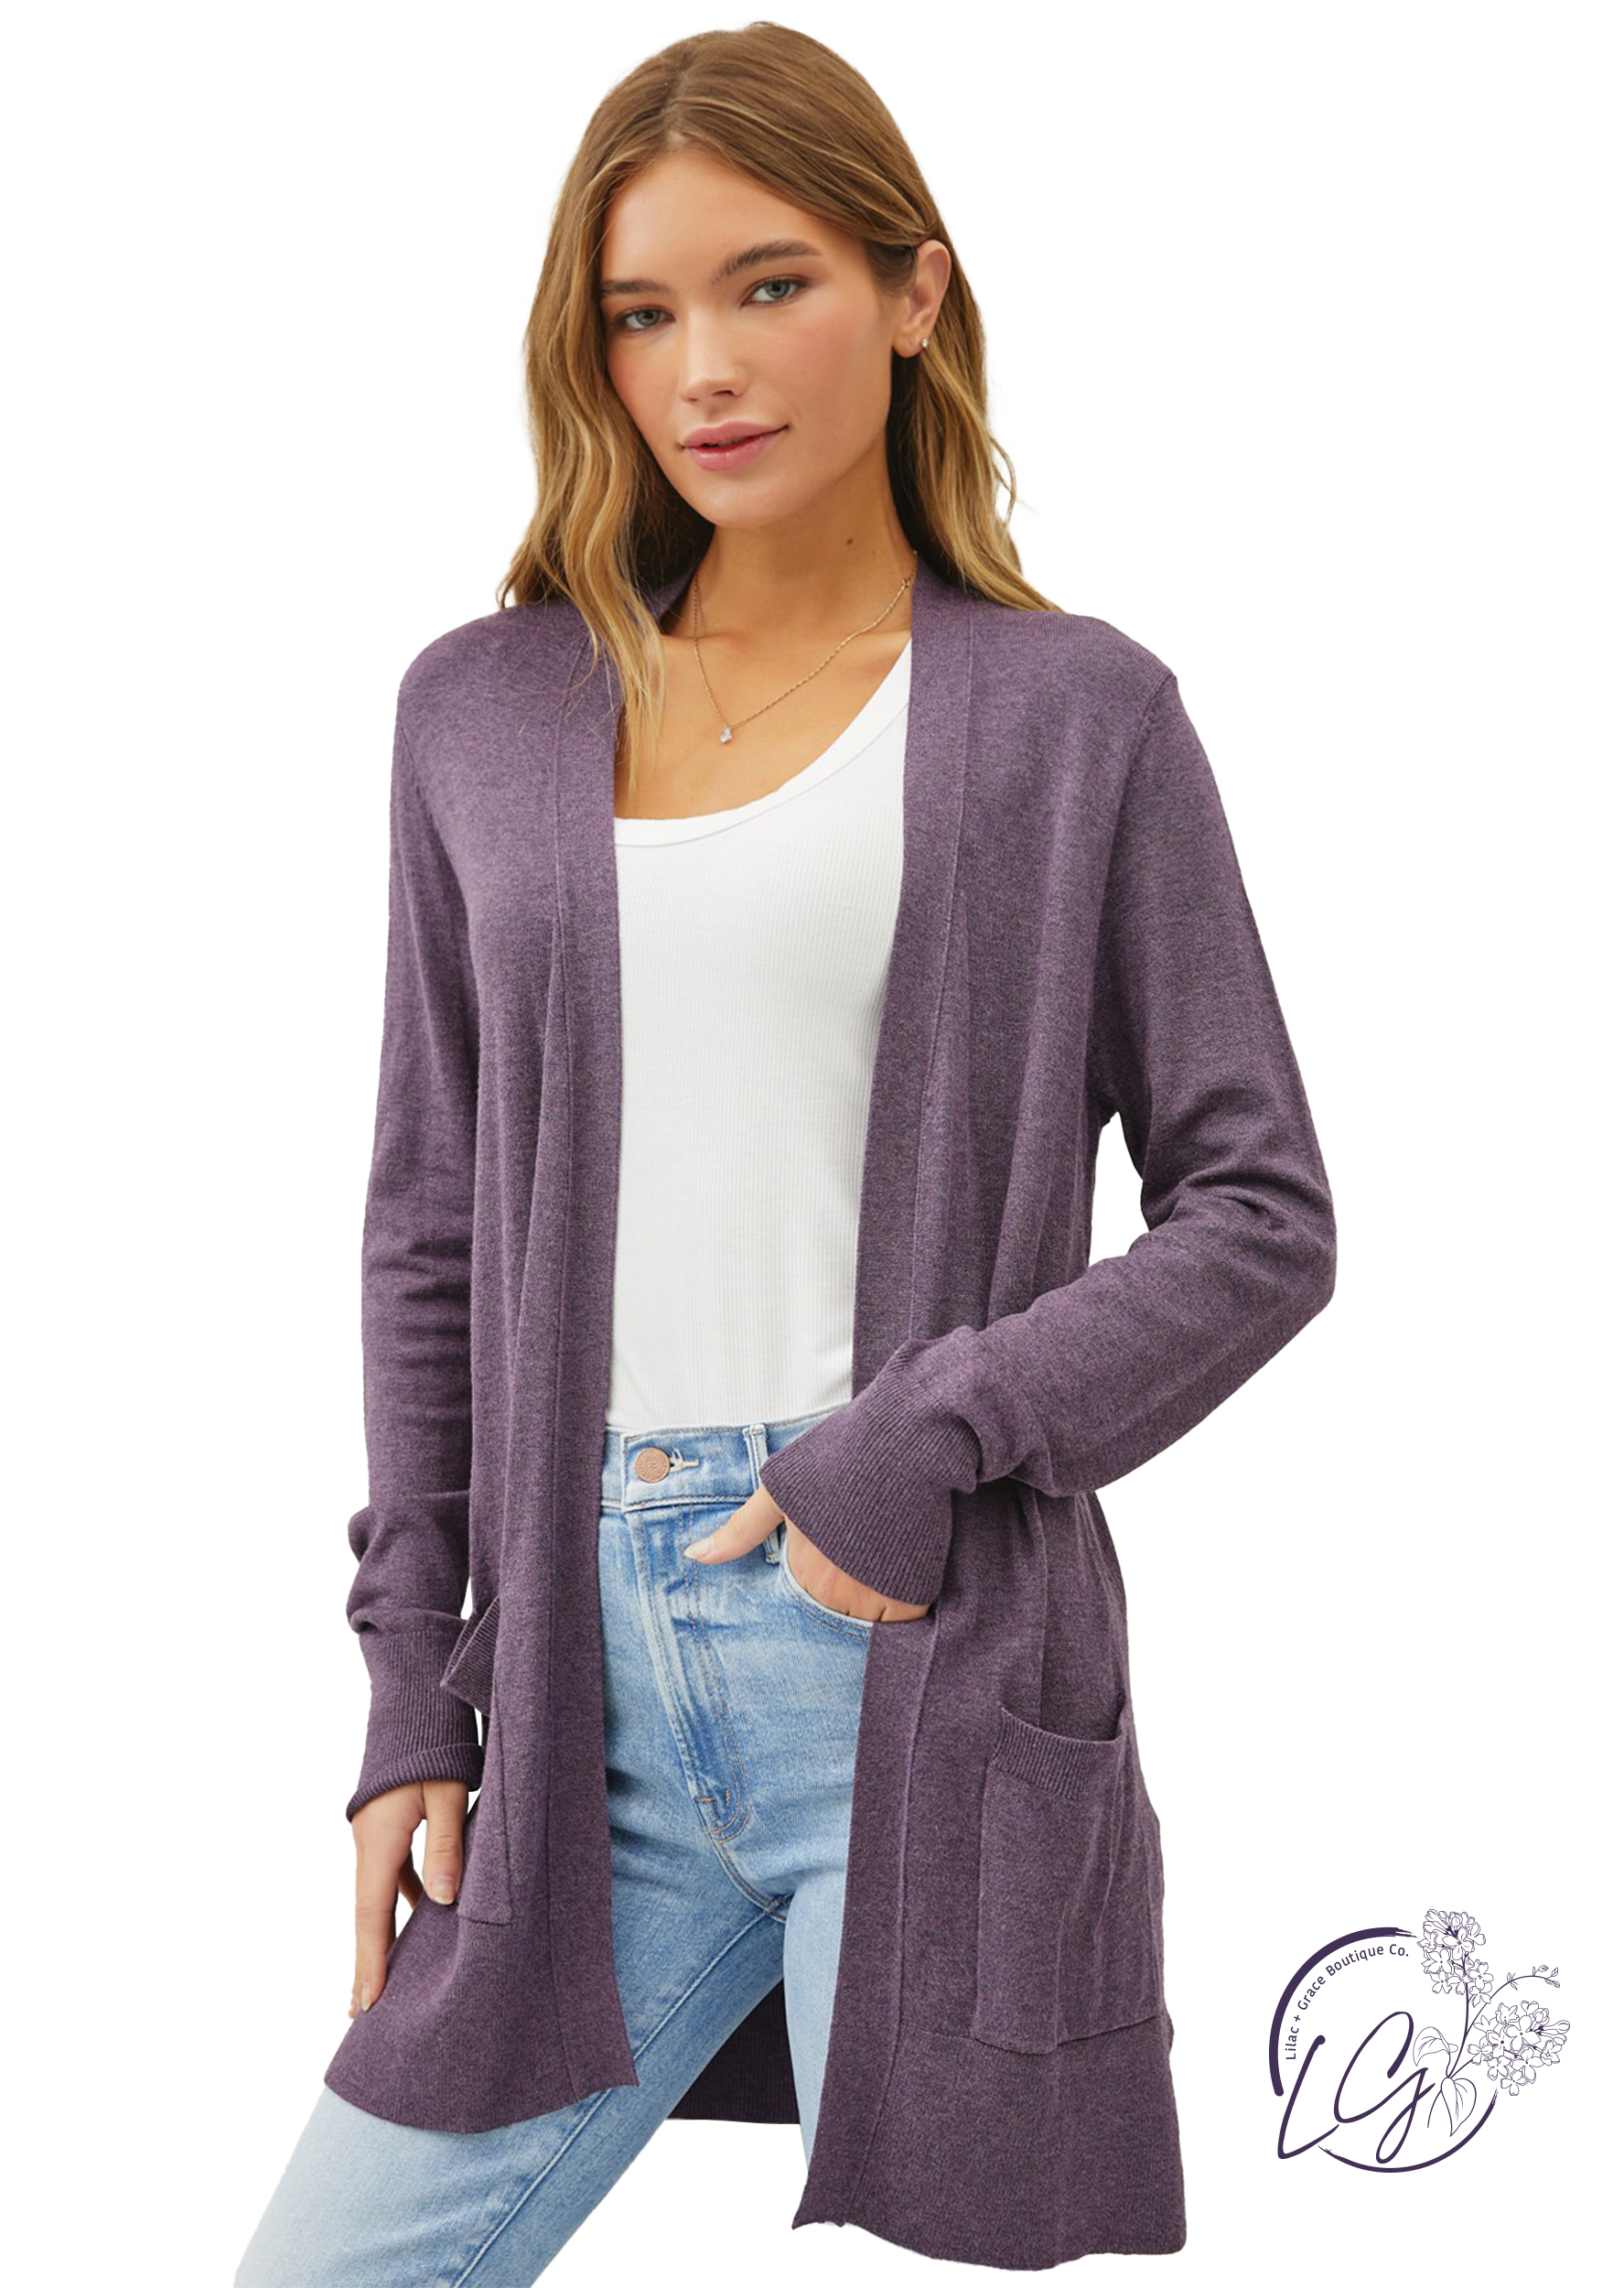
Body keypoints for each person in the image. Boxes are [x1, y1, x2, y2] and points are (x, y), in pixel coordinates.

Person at [236, 23, 1336, 2284]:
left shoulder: (1075, 716)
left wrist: (929, 1432)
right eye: (643, 313)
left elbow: (1259, 1212)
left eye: (771, 286)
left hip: (920, 1659)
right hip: (578, 1700)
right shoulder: (484, 708)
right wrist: (411, 1679)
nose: (705, 369)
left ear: (915, 293)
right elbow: (428, 1226)